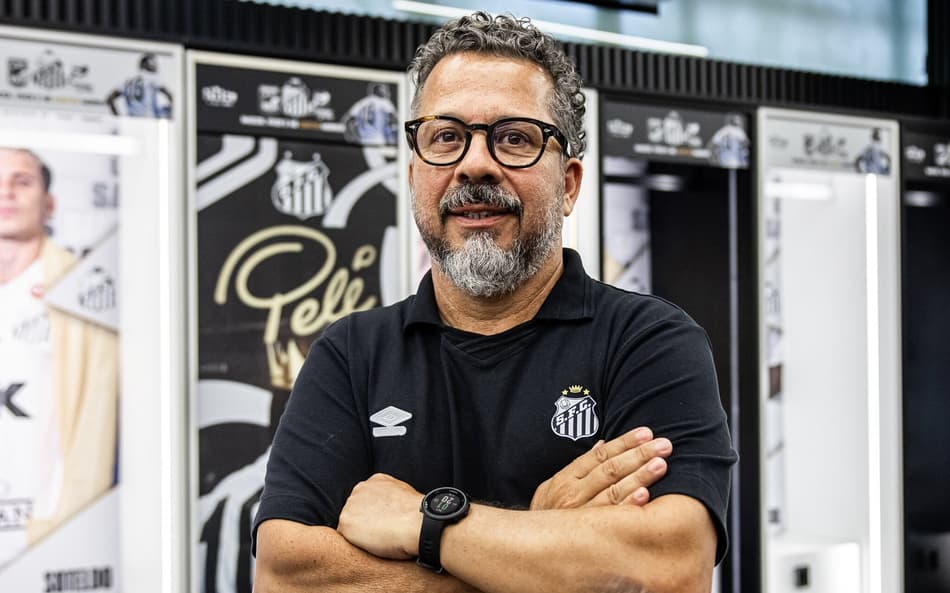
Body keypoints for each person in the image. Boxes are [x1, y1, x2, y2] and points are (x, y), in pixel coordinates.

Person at [253, 12, 737, 593]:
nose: (475, 164)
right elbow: (284, 575)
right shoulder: (351, 355)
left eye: (514, 138)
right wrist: (542, 545)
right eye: (445, 137)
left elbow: (671, 567)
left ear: (569, 184)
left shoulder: (650, 343)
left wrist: (423, 522)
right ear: (414, 175)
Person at [0, 148, 118, 567]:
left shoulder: (81, 291)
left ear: (49, 203)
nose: (7, 192)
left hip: (48, 529)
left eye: (22, 181)